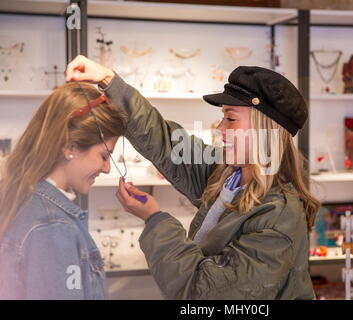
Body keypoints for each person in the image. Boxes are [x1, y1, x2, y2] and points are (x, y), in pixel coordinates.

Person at [65, 55, 320, 299]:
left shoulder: (278, 216)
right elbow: (163, 141)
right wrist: (108, 80)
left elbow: (205, 295)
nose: (220, 128)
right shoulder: (225, 176)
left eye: (230, 119)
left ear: (264, 130)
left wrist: (156, 220)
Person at [0, 82, 127, 299]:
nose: (106, 169)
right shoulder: (53, 228)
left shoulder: (24, 199)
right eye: (103, 156)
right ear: (70, 148)